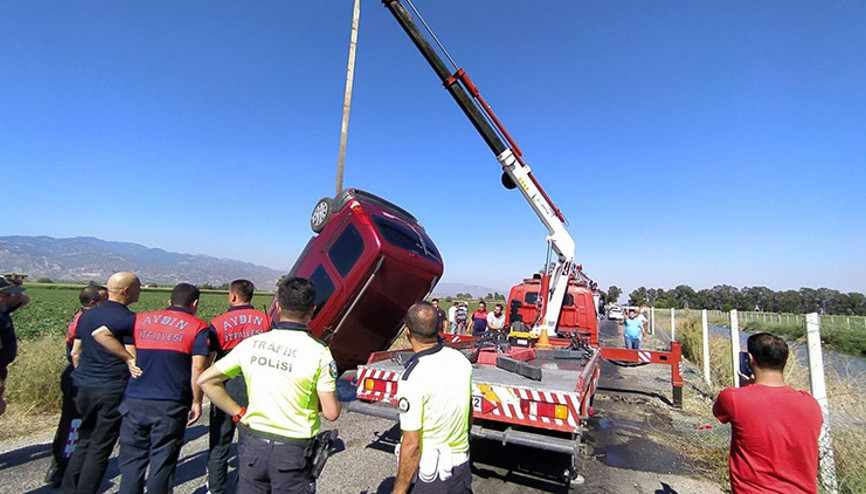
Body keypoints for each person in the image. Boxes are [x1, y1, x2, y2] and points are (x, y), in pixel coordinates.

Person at [198, 276, 341, 494]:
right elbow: (331, 412)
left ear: (277, 306)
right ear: (312, 310)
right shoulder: (320, 352)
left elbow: (206, 380)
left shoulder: (252, 345)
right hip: (294, 452)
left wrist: (237, 413)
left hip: (254, 447)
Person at [93, 282, 211, 494]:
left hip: (135, 401)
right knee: (162, 463)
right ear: (194, 304)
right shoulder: (198, 327)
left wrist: (128, 358)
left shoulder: (141, 319)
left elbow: (100, 334)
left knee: (132, 463)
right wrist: (196, 400)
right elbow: (198, 366)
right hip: (170, 403)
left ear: (169, 301)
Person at [713, 333, 822, 493]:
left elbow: (719, 412)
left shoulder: (734, 398)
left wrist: (745, 387)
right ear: (784, 361)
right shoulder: (811, 404)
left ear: (750, 359)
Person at [62, 272, 141, 494]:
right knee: (100, 447)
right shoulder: (129, 319)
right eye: (138, 288)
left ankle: (68, 488)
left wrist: (83, 375)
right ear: (126, 291)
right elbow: (131, 355)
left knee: (83, 439)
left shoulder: (87, 315)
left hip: (83, 386)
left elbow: (76, 352)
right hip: (110, 387)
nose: (140, 291)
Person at [393, 301, 472, 493]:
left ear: (407, 331)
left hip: (433, 478)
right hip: (461, 470)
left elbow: (412, 445)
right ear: (438, 327)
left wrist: (398, 491)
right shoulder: (460, 360)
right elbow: (469, 415)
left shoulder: (413, 376)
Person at [206, 279, 271, 494]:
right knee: (249, 443)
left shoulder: (218, 322)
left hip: (225, 386)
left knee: (219, 443)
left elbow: (208, 359)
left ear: (233, 296)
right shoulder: (266, 320)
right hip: (256, 386)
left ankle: (215, 489)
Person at [45, 285, 107, 487]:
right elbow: (76, 353)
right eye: (104, 300)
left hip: (74, 373)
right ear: (92, 304)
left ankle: (61, 465)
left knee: (70, 422)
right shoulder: (87, 320)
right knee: (74, 425)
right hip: (79, 376)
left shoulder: (81, 316)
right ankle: (62, 470)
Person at [0, 274, 29, 417]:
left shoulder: (4, 311)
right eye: (17, 292)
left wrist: (12, 281)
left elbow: (25, 300)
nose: (20, 295)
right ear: (6, 295)